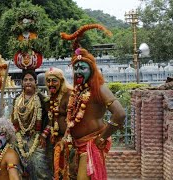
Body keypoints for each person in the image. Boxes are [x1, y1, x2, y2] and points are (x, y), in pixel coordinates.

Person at [59, 24, 126, 180]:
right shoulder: (77, 91)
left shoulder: (100, 88)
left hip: (91, 145)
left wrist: (102, 138)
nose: (78, 71)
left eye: (83, 67)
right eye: (76, 68)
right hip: (76, 146)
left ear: (92, 70)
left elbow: (120, 114)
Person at [11, 69, 52, 179]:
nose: (28, 82)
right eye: (25, 80)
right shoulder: (17, 99)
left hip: (37, 138)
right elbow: (13, 119)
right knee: (15, 164)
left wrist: (44, 135)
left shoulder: (42, 99)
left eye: (31, 80)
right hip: (19, 137)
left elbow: (51, 119)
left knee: (38, 165)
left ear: (35, 82)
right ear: (22, 82)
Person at [43, 67, 73, 178]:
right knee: (58, 170)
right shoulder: (51, 98)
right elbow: (51, 120)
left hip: (70, 140)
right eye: (48, 81)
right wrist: (44, 134)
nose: (51, 84)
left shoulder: (69, 95)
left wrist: (65, 139)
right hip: (56, 140)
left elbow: (72, 120)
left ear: (61, 81)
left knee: (69, 171)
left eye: (54, 80)